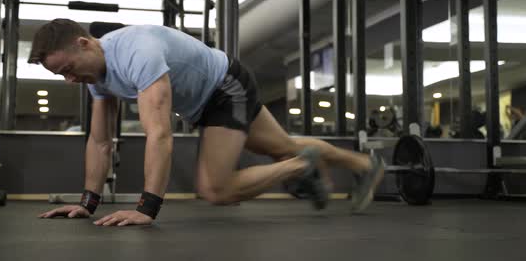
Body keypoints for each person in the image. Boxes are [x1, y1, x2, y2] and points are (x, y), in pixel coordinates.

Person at [34, 19, 384, 226]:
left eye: (67, 69)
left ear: (84, 44)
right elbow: (99, 141)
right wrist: (87, 203)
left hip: (224, 86)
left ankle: (300, 167)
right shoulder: (96, 76)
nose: (68, 80)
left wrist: (147, 209)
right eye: (60, 74)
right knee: (284, 147)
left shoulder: (136, 53)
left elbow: (159, 134)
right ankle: (364, 164)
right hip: (210, 99)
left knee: (216, 189)